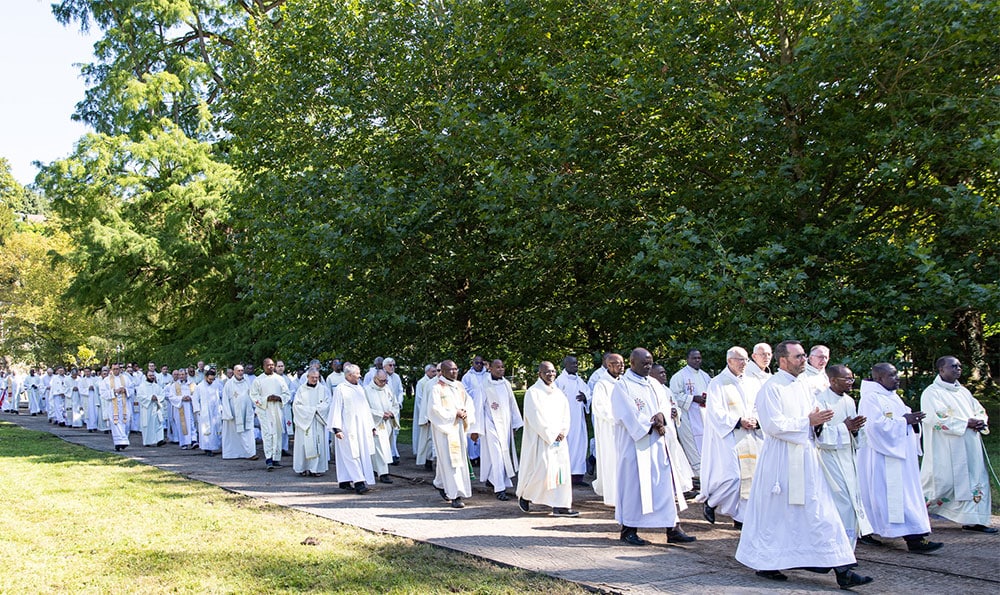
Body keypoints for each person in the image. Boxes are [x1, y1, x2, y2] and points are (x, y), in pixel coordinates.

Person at [735, 340, 871, 589]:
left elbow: (814, 422)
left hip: (807, 459)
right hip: (781, 462)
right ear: (783, 360)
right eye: (798, 357)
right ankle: (768, 562)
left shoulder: (806, 386)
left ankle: (843, 570)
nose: (804, 360)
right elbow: (772, 425)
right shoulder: (771, 388)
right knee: (777, 516)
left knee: (822, 513)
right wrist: (807, 421)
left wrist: (819, 424)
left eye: (804, 356)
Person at [612, 348, 695, 545]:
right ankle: (629, 529)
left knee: (664, 485)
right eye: (644, 363)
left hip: (658, 443)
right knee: (635, 486)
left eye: (650, 363)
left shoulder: (654, 384)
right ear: (632, 363)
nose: (648, 366)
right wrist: (651, 423)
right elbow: (626, 413)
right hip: (636, 445)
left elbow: (665, 407)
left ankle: (672, 527)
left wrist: (662, 418)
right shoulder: (623, 386)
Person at [858, 363, 942, 553]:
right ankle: (914, 539)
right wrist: (905, 420)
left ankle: (912, 536)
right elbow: (874, 427)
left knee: (905, 496)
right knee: (894, 498)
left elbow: (901, 419)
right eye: (892, 375)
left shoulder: (892, 396)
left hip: (901, 456)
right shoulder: (870, 399)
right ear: (879, 379)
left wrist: (911, 421)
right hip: (883, 458)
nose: (897, 378)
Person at [920, 356, 995, 533]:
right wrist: (965, 423)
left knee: (974, 479)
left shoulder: (963, 392)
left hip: (970, 444)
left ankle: (974, 520)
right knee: (943, 481)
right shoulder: (932, 393)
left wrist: (980, 421)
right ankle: (917, 513)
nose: (958, 369)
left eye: (960, 366)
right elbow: (935, 418)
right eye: (953, 366)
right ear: (941, 370)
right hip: (947, 446)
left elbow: (979, 410)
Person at [701, 347, 763, 530]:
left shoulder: (752, 382)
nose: (744, 364)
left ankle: (741, 518)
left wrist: (756, 420)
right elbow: (715, 411)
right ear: (729, 361)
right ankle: (712, 502)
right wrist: (738, 421)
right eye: (740, 360)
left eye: (746, 360)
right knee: (733, 477)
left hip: (750, 435)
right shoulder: (718, 383)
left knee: (750, 477)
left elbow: (759, 406)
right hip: (729, 435)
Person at [815, 365, 874, 545]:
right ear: (832, 380)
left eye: (851, 379)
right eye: (846, 379)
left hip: (848, 456)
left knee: (853, 500)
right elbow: (819, 435)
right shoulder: (820, 401)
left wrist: (855, 430)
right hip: (829, 458)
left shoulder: (849, 400)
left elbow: (853, 432)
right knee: (843, 502)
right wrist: (845, 427)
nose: (850, 382)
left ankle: (848, 547)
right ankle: (836, 544)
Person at [517, 361, 578, 517]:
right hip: (542, 439)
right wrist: (551, 433)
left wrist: (563, 430)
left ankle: (561, 505)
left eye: (553, 372)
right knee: (542, 470)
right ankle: (526, 494)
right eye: (547, 372)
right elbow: (535, 417)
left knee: (561, 472)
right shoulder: (533, 392)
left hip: (559, 440)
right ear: (540, 374)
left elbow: (566, 413)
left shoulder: (558, 393)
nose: (551, 375)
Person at [428, 360, 477, 509]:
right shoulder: (437, 388)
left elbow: (469, 403)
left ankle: (440, 483)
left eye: (456, 369)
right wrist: (453, 413)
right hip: (445, 430)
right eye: (450, 370)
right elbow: (434, 410)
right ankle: (456, 495)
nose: (454, 372)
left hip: (459, 427)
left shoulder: (459, 386)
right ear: (442, 371)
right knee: (451, 462)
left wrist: (465, 413)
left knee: (451, 461)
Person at [478, 359, 523, 500]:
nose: (501, 369)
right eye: (497, 367)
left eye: (502, 367)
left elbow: (512, 404)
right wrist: (476, 428)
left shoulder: (506, 384)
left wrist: (515, 424)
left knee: (503, 455)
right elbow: (478, 406)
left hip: (505, 424)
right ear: (489, 368)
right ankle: (499, 489)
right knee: (497, 455)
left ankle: (492, 479)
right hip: (490, 424)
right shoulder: (484, 384)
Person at [328, 363, 376, 494]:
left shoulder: (360, 388)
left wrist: (371, 426)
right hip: (347, 428)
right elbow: (336, 408)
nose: (360, 375)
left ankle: (344, 481)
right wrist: (337, 428)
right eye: (357, 373)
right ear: (349, 375)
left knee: (358, 454)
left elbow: (366, 408)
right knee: (351, 455)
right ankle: (359, 483)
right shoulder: (341, 389)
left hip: (361, 428)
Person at [669, 350, 710, 477]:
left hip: (704, 416)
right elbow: (674, 396)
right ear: (687, 359)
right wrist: (693, 398)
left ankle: (708, 473)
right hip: (688, 418)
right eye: (694, 358)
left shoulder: (705, 376)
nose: (697, 360)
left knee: (706, 444)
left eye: (699, 358)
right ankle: (697, 475)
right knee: (693, 446)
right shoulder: (679, 376)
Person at [591, 353, 625, 506]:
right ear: (609, 365)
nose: (622, 366)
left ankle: (625, 493)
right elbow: (600, 408)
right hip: (610, 430)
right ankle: (613, 496)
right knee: (612, 461)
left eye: (622, 363)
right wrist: (618, 418)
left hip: (625, 429)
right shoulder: (602, 384)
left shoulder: (624, 382)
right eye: (617, 363)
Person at [554, 355, 591, 485]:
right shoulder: (559, 381)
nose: (576, 366)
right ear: (566, 365)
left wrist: (585, 397)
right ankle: (564, 476)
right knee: (565, 447)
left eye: (577, 363)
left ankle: (577, 476)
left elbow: (588, 392)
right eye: (573, 364)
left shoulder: (579, 380)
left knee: (580, 445)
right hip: (564, 420)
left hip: (578, 419)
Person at [250, 358, 290, 471]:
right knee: (268, 434)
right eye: (268, 365)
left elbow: (287, 393)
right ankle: (268, 458)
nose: (271, 367)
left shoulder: (280, 379)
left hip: (277, 409)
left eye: (272, 365)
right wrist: (266, 399)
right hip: (265, 410)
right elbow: (254, 395)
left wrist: (279, 398)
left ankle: (276, 458)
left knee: (277, 433)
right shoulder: (258, 380)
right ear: (264, 366)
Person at [292, 369, 331, 477]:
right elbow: (296, 406)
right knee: (303, 445)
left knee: (317, 444)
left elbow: (327, 404)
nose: (314, 379)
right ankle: (303, 468)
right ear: (307, 377)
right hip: (305, 423)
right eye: (312, 377)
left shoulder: (323, 389)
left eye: (316, 377)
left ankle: (316, 469)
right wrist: (311, 411)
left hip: (318, 421)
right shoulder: (301, 390)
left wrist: (315, 410)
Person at [365, 370, 399, 483]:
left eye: (385, 380)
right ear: (375, 378)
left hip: (387, 423)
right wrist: (380, 414)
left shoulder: (388, 388)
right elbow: (365, 408)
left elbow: (395, 404)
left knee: (384, 447)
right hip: (376, 423)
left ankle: (375, 469)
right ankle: (383, 473)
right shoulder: (367, 390)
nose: (384, 382)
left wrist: (392, 413)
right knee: (379, 448)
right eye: (381, 380)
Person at [221, 364, 258, 460]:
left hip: (247, 412)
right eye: (238, 371)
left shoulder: (247, 382)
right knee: (238, 434)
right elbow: (225, 399)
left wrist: (256, 408)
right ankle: (236, 453)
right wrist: (228, 414)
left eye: (242, 370)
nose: (241, 372)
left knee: (248, 432)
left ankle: (250, 452)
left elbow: (252, 395)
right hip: (234, 414)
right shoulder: (229, 384)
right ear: (234, 372)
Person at [461, 355, 489, 464]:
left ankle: (482, 456)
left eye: (481, 363)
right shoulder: (467, 377)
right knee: (472, 431)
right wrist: (476, 393)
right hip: (472, 407)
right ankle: (472, 457)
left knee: (484, 432)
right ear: (473, 363)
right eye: (477, 363)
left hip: (484, 409)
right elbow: (464, 392)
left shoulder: (487, 375)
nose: (479, 365)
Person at [101, 363, 132, 451]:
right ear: (111, 369)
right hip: (113, 405)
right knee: (116, 423)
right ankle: (119, 443)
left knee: (126, 423)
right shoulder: (106, 380)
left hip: (124, 404)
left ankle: (124, 441)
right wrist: (114, 391)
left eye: (117, 369)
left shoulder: (126, 378)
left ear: (120, 369)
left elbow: (132, 389)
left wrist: (125, 390)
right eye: (114, 369)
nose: (116, 370)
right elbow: (103, 393)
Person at [412, 363, 438, 470]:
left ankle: (435, 460)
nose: (435, 373)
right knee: (429, 439)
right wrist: (425, 416)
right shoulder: (423, 383)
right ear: (426, 372)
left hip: (437, 416)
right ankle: (428, 460)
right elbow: (420, 400)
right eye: (433, 371)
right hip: (427, 415)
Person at [166, 369, 198, 449]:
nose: (181, 376)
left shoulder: (192, 384)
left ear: (186, 375)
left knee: (192, 423)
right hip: (180, 407)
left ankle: (194, 440)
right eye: (179, 375)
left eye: (183, 374)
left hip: (190, 406)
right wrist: (181, 398)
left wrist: (190, 398)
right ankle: (184, 443)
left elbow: (197, 395)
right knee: (181, 425)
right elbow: (171, 396)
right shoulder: (174, 385)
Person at [194, 369, 223, 455]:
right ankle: (207, 448)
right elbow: (195, 399)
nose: (211, 381)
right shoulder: (199, 386)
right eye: (210, 379)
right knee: (206, 431)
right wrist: (198, 410)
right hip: (205, 412)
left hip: (215, 411)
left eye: (213, 379)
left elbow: (220, 396)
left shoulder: (216, 385)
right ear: (206, 377)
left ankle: (215, 446)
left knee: (215, 429)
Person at [382, 357, 405, 464]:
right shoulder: (381, 376)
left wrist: (399, 402)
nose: (392, 367)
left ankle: (393, 452)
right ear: (384, 366)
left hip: (395, 408)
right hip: (385, 409)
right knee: (386, 432)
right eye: (390, 365)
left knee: (395, 430)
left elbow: (400, 391)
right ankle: (390, 454)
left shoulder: (397, 377)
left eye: (394, 365)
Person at [135, 368, 166, 447]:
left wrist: (157, 398)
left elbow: (162, 394)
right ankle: (147, 441)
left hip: (156, 407)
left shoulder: (157, 386)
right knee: (147, 425)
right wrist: (150, 398)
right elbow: (139, 397)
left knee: (158, 423)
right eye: (150, 375)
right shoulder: (142, 386)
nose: (152, 377)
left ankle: (159, 440)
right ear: (146, 376)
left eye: (153, 375)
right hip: (147, 408)